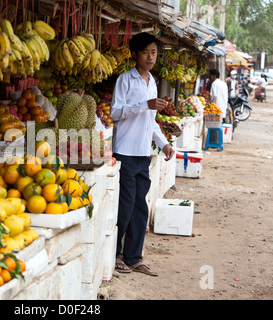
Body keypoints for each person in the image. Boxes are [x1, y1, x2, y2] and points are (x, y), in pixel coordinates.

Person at [110, 32, 175, 276]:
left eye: (154, 52)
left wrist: (163, 143)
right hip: (125, 151)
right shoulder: (125, 80)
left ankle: (134, 257)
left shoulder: (153, 82)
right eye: (146, 52)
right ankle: (115, 254)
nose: (150, 57)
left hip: (143, 153)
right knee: (125, 205)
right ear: (135, 54)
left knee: (140, 206)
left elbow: (152, 121)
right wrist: (144, 105)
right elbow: (115, 113)